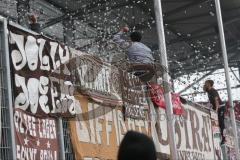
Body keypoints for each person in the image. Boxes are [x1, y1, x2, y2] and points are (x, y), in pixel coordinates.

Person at [203, 80, 226, 144]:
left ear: (209, 84)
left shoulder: (213, 90)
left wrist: (216, 109)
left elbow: (216, 100)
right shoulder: (208, 91)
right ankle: (218, 136)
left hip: (220, 107)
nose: (205, 84)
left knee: (221, 122)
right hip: (216, 107)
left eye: (206, 83)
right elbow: (204, 90)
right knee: (216, 122)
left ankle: (224, 138)